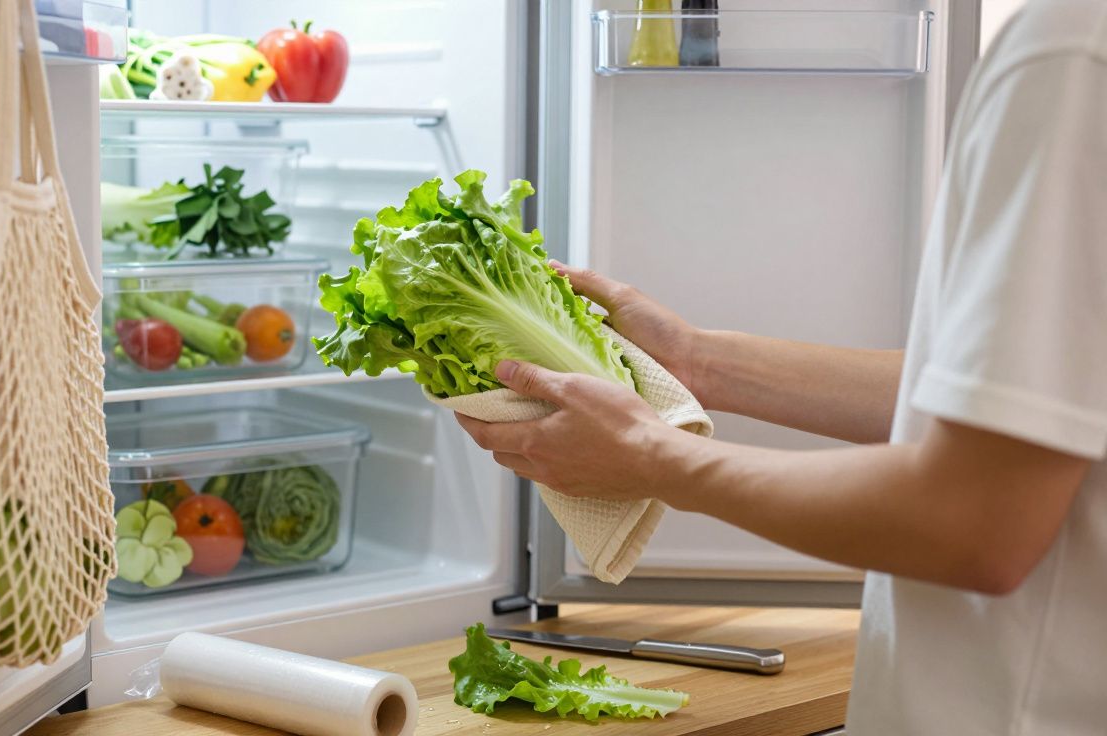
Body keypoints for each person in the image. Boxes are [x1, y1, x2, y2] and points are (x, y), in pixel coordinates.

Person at [456, 0, 1107, 733]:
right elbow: (1016, 397)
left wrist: (649, 457)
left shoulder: (1071, 55)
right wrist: (695, 362)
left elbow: (976, 520)